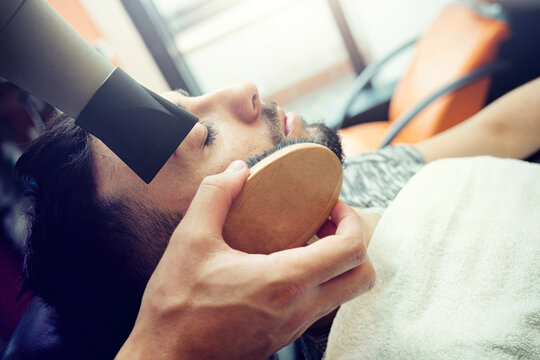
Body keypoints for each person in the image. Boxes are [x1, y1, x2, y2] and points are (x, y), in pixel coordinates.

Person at [14, 77, 540, 359]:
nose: (244, 89)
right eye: (205, 137)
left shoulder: (342, 180)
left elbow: (499, 134)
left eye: (188, 100)